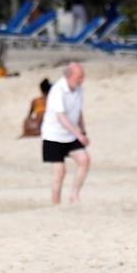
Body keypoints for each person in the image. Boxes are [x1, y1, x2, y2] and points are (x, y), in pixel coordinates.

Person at [41, 62, 90, 205]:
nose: (81, 80)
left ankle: (74, 195)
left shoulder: (79, 89)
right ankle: (55, 204)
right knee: (60, 172)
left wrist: (83, 131)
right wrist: (78, 134)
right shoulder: (58, 90)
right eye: (79, 77)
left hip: (71, 135)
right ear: (69, 77)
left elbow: (79, 112)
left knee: (84, 160)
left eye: (82, 77)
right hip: (53, 135)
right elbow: (61, 117)